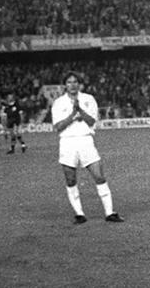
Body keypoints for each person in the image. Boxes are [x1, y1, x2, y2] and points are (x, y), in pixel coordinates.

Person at [50, 71, 122, 224]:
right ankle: (79, 214)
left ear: (79, 84)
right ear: (65, 85)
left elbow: (91, 121)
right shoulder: (58, 103)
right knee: (70, 179)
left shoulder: (88, 99)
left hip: (86, 141)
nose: (72, 85)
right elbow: (58, 126)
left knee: (99, 176)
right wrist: (72, 115)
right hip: (67, 142)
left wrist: (80, 111)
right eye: (69, 82)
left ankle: (110, 212)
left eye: (75, 82)